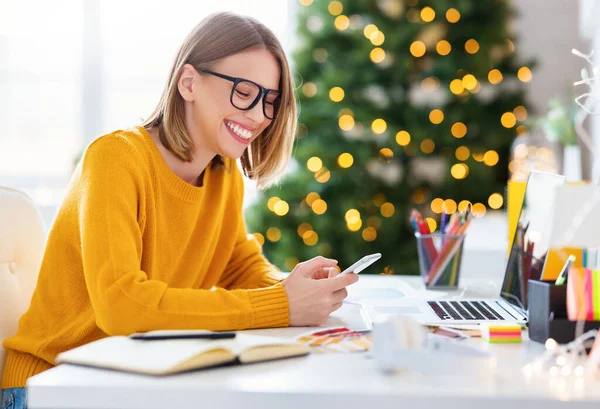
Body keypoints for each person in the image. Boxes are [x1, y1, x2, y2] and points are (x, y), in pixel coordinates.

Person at [1, 12, 359, 409]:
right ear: (188, 82)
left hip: (133, 382)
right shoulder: (115, 159)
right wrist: (282, 305)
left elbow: (239, 269)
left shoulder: (224, 177)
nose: (258, 116)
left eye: (270, 101)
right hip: (48, 387)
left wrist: (296, 288)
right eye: (244, 92)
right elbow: (122, 306)